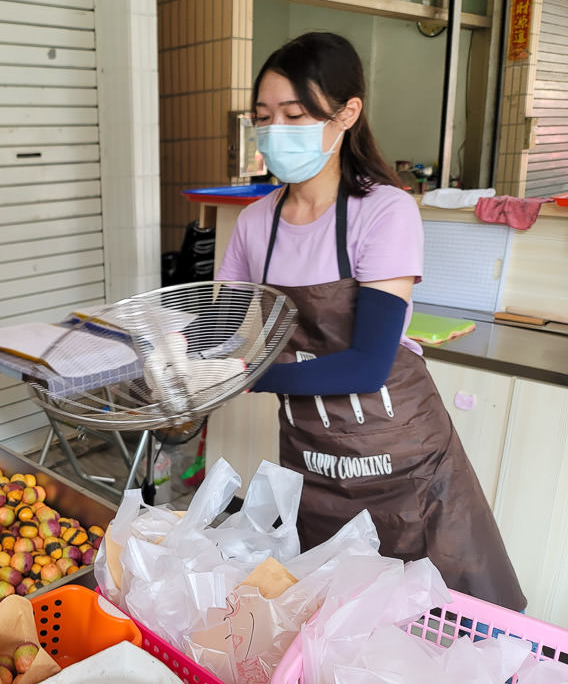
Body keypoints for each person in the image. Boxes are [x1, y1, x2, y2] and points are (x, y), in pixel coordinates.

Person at [217, 32, 526, 611]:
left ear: (346, 114)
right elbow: (223, 328)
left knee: (434, 621)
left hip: (403, 460)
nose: (275, 130)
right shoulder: (256, 223)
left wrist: (247, 375)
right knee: (331, 617)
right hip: (311, 456)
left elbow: (368, 363)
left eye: (295, 114)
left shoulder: (384, 211)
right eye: (264, 116)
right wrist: (168, 353)